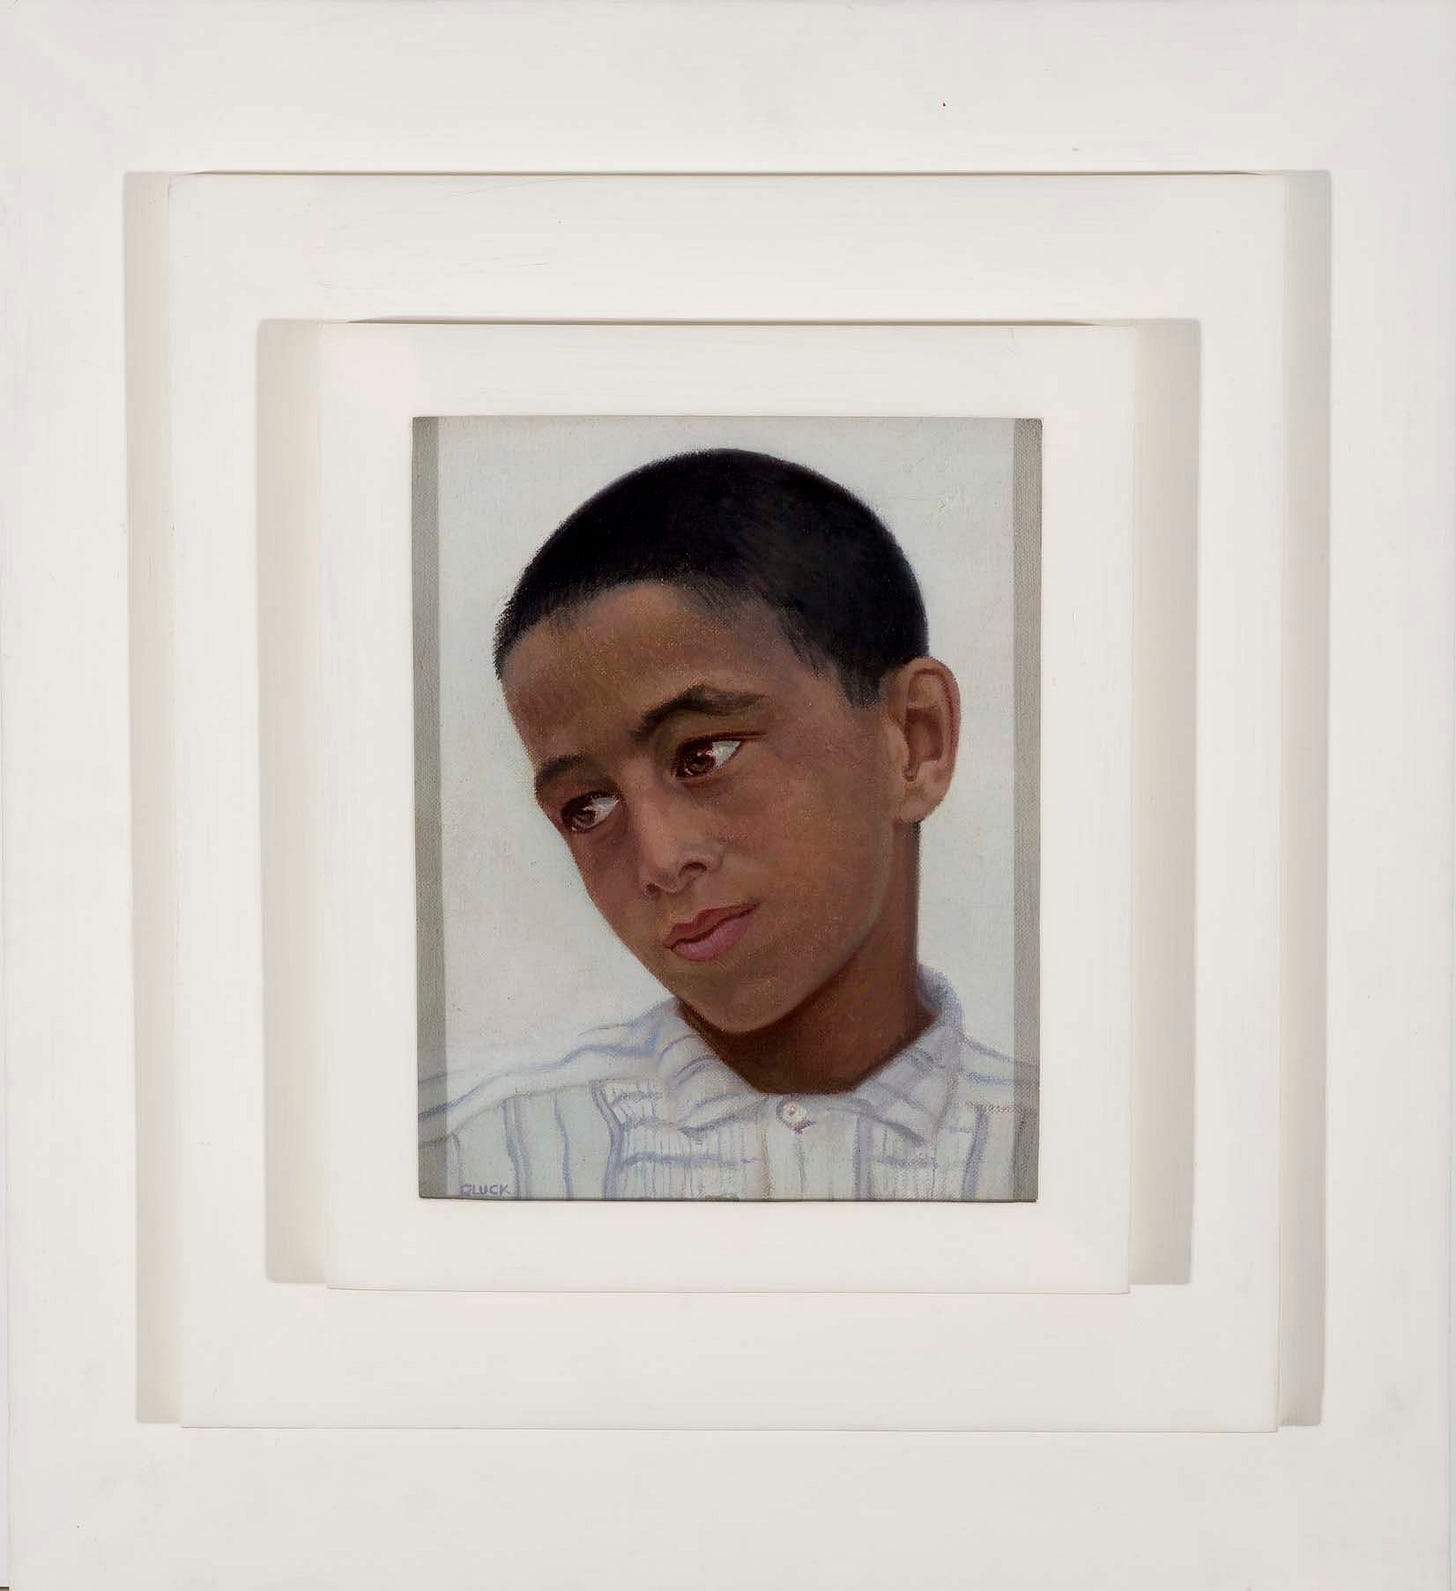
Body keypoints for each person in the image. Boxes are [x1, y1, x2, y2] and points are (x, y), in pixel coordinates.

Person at [420, 447, 1037, 1201]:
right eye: (589, 806)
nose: (658, 860)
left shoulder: (1071, 1158)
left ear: (914, 739)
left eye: (704, 754)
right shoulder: (477, 1160)